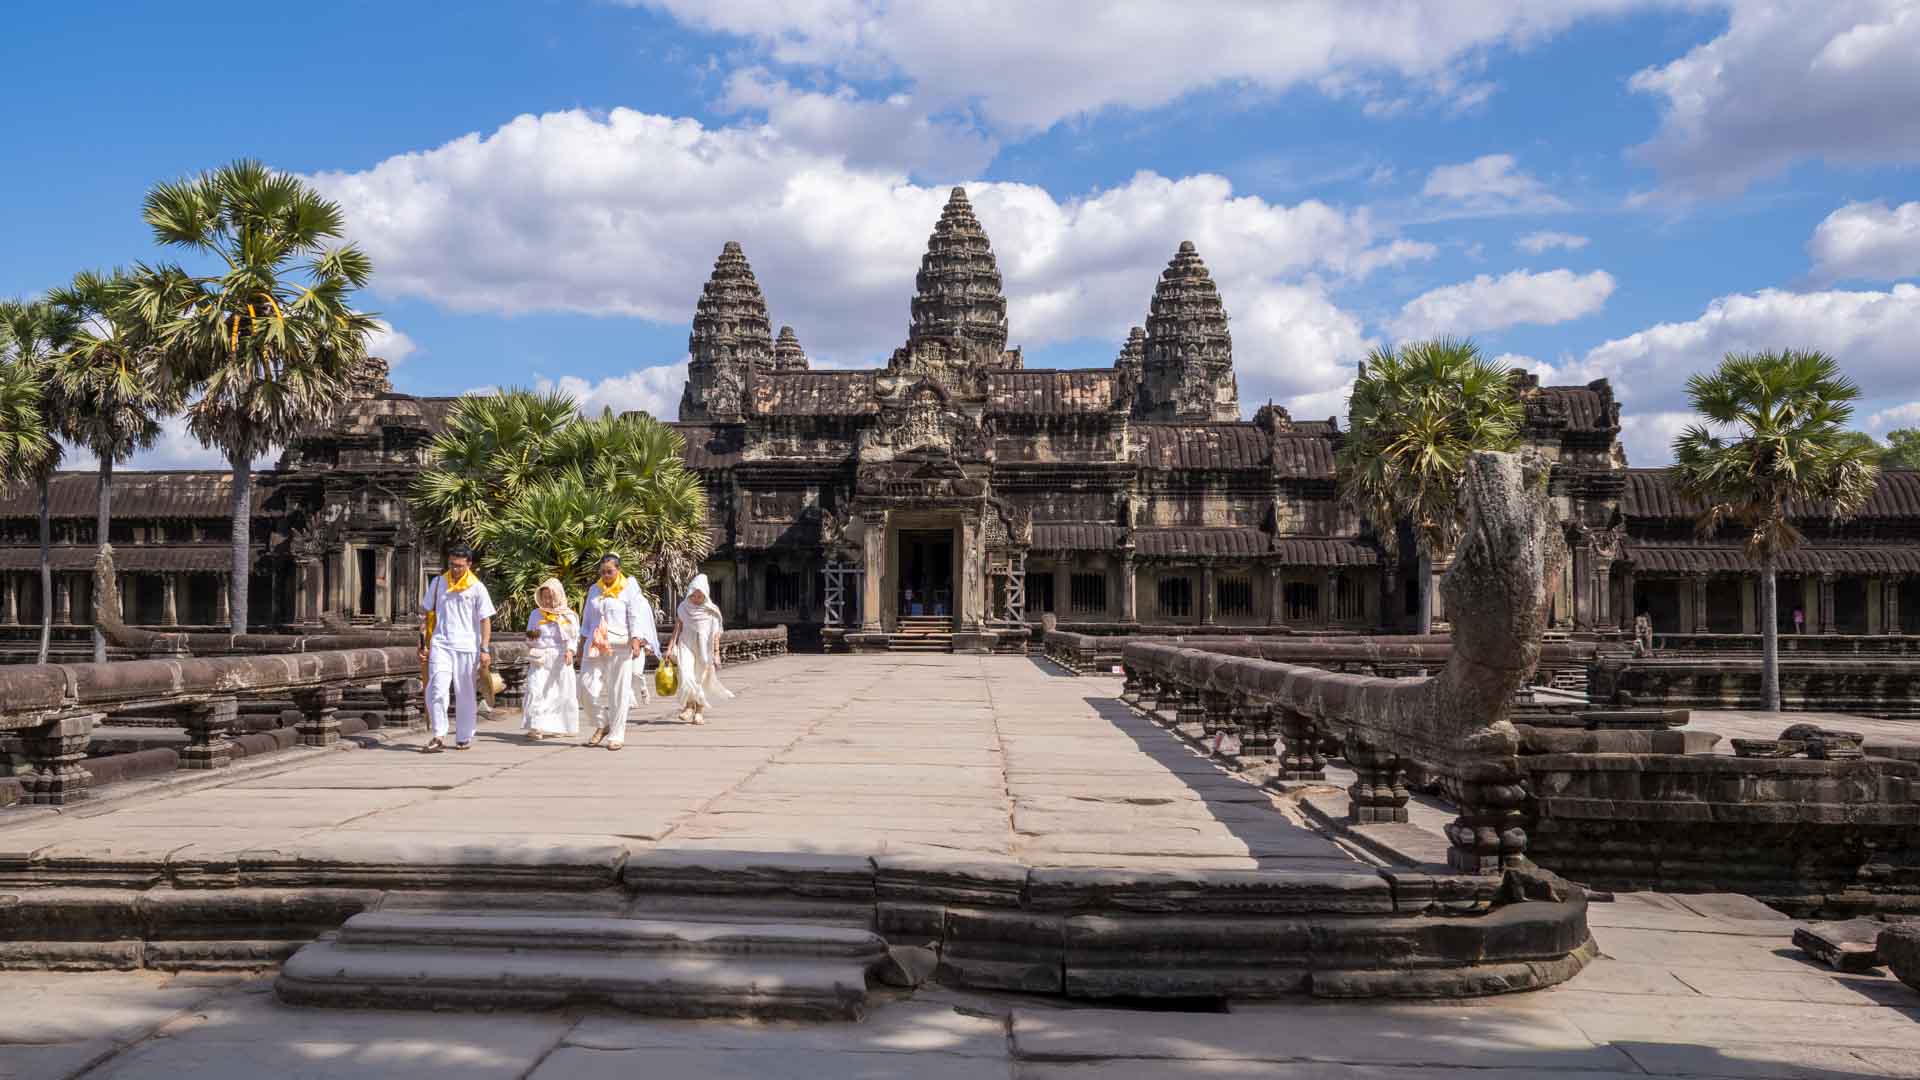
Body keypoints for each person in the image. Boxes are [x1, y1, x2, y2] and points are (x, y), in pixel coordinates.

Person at [418, 545, 495, 753]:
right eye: (452, 564)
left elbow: (485, 620)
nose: (455, 569)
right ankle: (439, 734)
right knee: (436, 688)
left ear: (469, 564)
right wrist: (422, 643)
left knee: (465, 693)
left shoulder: (477, 587)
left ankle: (463, 735)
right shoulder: (438, 583)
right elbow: (426, 615)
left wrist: (485, 648)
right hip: (441, 644)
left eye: (460, 565)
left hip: (467, 646)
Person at [578, 554, 659, 751]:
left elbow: (634, 616)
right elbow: (587, 619)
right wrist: (580, 644)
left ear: (618, 570)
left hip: (620, 644)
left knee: (619, 691)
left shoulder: (628, 589)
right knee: (585, 688)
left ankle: (616, 734)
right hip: (595, 644)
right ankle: (602, 722)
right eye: (603, 572)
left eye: (610, 571)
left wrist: (636, 640)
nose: (606, 575)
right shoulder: (594, 589)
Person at [666, 573, 733, 725]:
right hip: (686, 644)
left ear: (705, 595)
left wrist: (716, 653)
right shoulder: (683, 607)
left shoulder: (711, 611)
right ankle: (689, 706)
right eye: (693, 595)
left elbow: (715, 634)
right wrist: (670, 648)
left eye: (700, 596)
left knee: (700, 678)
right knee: (685, 674)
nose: (696, 599)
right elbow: (677, 628)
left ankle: (699, 711)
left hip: (704, 648)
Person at [521, 578, 580, 741]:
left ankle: (559, 726)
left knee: (560, 692)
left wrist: (570, 651)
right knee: (535, 689)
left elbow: (574, 636)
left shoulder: (568, 615)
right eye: (544, 597)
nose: (547, 601)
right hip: (540, 658)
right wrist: (531, 643)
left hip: (560, 658)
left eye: (550, 597)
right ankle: (535, 726)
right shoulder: (536, 614)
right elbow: (530, 634)